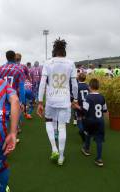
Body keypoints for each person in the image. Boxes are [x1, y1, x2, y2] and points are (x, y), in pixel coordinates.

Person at [37, 38, 78, 166]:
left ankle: (54, 149)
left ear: (54, 51)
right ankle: (61, 157)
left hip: (51, 99)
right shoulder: (71, 63)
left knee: (48, 122)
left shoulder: (48, 63)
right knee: (62, 127)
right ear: (64, 51)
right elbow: (74, 85)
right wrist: (75, 99)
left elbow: (42, 83)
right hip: (65, 99)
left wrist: (39, 101)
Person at [78, 78, 107, 167]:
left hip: (90, 120)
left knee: (87, 133)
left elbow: (84, 110)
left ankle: (86, 149)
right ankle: (99, 159)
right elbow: (105, 110)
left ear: (89, 87)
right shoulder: (102, 97)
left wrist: (76, 106)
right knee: (99, 140)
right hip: (100, 121)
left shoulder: (88, 97)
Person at [76, 73, 89, 142]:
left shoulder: (77, 86)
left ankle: (82, 131)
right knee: (84, 118)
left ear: (78, 78)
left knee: (79, 118)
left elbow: (74, 96)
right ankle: (85, 131)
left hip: (79, 104)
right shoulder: (88, 86)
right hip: (86, 105)